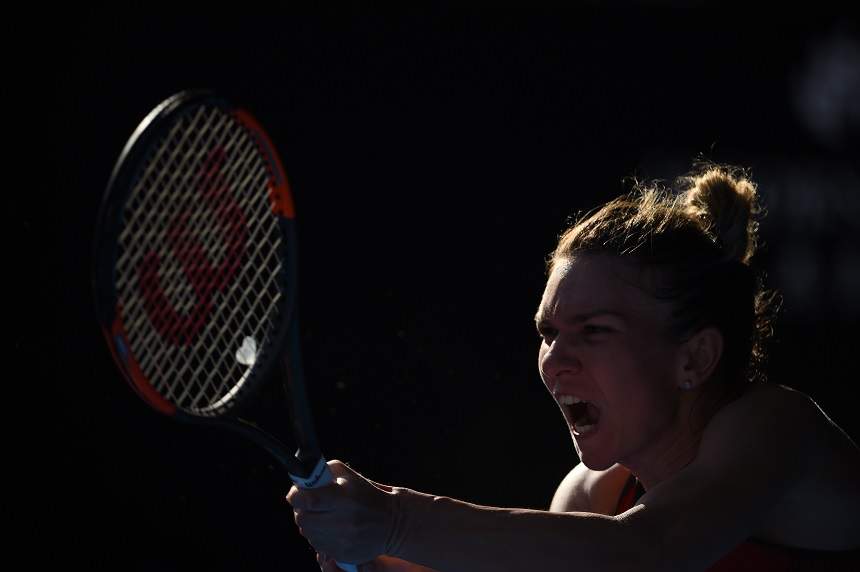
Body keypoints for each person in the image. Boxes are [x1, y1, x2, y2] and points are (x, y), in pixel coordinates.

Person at [287, 161, 860, 571]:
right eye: (547, 333)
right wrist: (382, 559)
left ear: (695, 358)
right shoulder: (592, 495)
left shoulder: (776, 428)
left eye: (594, 331)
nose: (555, 361)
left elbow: (646, 551)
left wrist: (395, 521)